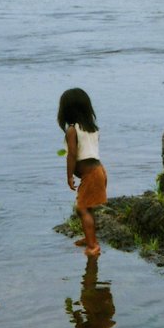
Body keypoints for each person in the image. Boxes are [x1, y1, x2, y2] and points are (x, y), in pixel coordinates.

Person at [59, 88, 107, 257]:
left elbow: (72, 154)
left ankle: (93, 245)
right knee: (88, 207)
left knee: (82, 209)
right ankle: (89, 238)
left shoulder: (72, 130)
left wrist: (69, 175)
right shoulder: (92, 128)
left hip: (91, 174)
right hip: (99, 170)